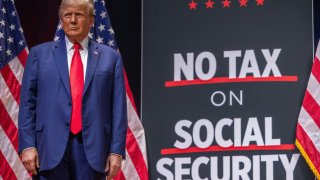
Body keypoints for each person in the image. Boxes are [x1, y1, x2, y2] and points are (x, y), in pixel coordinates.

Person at [18, 0, 127, 179]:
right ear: (61, 20)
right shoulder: (39, 55)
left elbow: (118, 109)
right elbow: (27, 104)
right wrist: (28, 145)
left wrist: (116, 151)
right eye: (68, 15)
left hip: (93, 148)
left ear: (91, 21)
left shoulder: (111, 58)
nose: (73, 20)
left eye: (79, 15)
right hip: (49, 147)